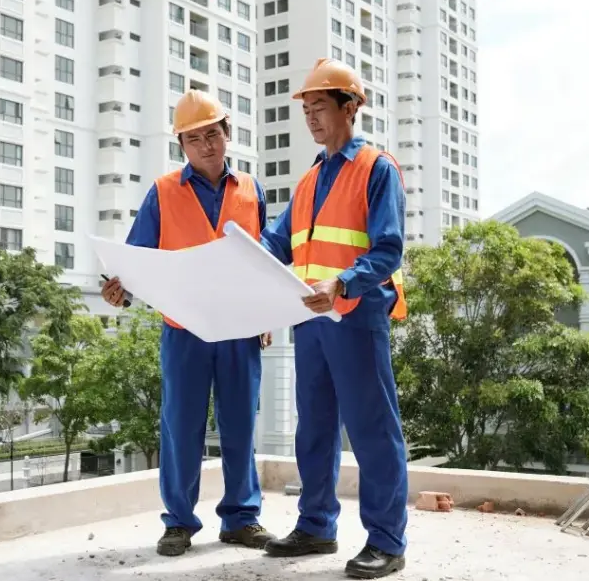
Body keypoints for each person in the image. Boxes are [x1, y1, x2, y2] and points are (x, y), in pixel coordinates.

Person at [101, 89, 276, 557]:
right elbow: (138, 261)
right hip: (183, 330)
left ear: (227, 135)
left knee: (240, 424)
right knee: (181, 426)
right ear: (182, 145)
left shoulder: (251, 190)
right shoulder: (162, 192)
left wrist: (266, 312)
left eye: (212, 134)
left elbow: (264, 259)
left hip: (240, 328)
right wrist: (122, 292)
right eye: (194, 138)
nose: (206, 145)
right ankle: (179, 522)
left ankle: (241, 518)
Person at [259, 59, 410, 579]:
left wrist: (342, 283)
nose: (311, 118)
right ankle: (317, 526)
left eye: (319, 107)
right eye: (306, 110)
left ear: (350, 107)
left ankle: (388, 541)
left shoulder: (376, 168)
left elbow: (388, 249)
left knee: (372, 431)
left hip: (356, 315)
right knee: (315, 430)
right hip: (311, 323)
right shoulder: (308, 183)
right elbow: (274, 245)